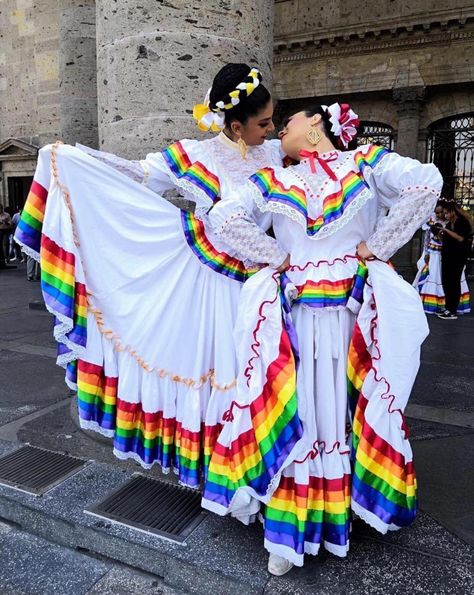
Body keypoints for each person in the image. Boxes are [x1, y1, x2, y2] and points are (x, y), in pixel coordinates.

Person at [14, 64, 284, 488]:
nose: (272, 130)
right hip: (209, 283)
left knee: (260, 373)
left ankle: (258, 467)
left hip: (266, 283)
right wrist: (77, 159)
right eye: (264, 123)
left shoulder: (275, 154)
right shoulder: (198, 155)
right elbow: (139, 174)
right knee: (213, 367)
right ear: (235, 125)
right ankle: (215, 465)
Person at [203, 103, 442, 575]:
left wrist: (379, 245)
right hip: (294, 321)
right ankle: (290, 528)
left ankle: (338, 508)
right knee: (299, 405)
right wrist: (276, 256)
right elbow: (224, 218)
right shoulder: (272, 180)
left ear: (316, 124)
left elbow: (426, 184)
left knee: (343, 406)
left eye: (289, 121)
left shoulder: (366, 163)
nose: (280, 129)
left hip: (350, 319)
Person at [413, 201, 470, 315]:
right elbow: (428, 238)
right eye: (437, 213)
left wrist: (444, 232)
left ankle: (451, 308)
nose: (439, 215)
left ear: (448, 212)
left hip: (452, 255)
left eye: (441, 213)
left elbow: (459, 239)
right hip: (436, 253)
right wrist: (427, 252)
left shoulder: (454, 222)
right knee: (439, 277)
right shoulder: (434, 222)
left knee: (453, 281)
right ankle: (443, 306)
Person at [437, 201, 473, 319]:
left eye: (447, 213)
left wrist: (446, 230)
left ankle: (453, 310)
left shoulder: (462, 222)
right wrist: (440, 234)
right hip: (448, 256)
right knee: (446, 281)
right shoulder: (449, 224)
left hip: (457, 257)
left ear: (453, 212)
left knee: (454, 281)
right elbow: (447, 240)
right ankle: (448, 307)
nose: (445, 216)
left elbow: (460, 238)